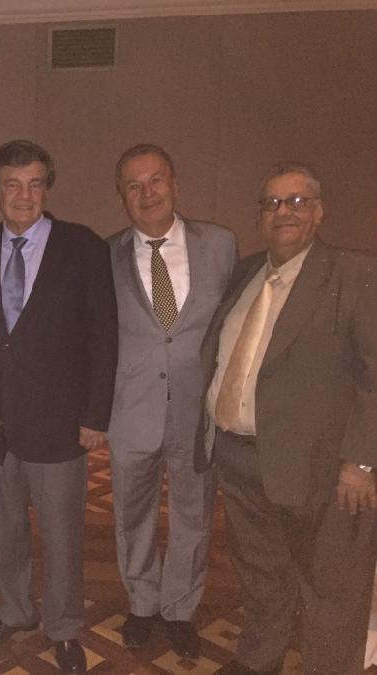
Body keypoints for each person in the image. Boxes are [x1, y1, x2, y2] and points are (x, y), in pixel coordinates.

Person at [198, 161, 377, 674]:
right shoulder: (247, 273)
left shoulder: (353, 274)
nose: (284, 212)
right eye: (273, 203)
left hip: (323, 470)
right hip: (240, 459)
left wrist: (362, 463)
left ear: (319, 212)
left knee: (332, 588)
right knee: (261, 575)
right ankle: (259, 658)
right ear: (260, 216)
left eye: (297, 201)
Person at [0, 140, 118, 673]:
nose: (24, 195)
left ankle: (65, 626)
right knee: (2, 529)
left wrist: (96, 415)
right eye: (12, 184)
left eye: (34, 184)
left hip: (60, 422)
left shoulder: (83, 246)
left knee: (61, 535)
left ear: (46, 188)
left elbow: (104, 335)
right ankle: (14, 609)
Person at [105, 144, 236, 657]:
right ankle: (142, 603)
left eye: (155, 180)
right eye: (133, 186)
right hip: (130, 409)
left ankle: (180, 607)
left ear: (175, 184)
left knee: (193, 514)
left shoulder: (220, 244)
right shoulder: (105, 254)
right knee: (130, 514)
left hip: (197, 409)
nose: (147, 193)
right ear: (122, 196)